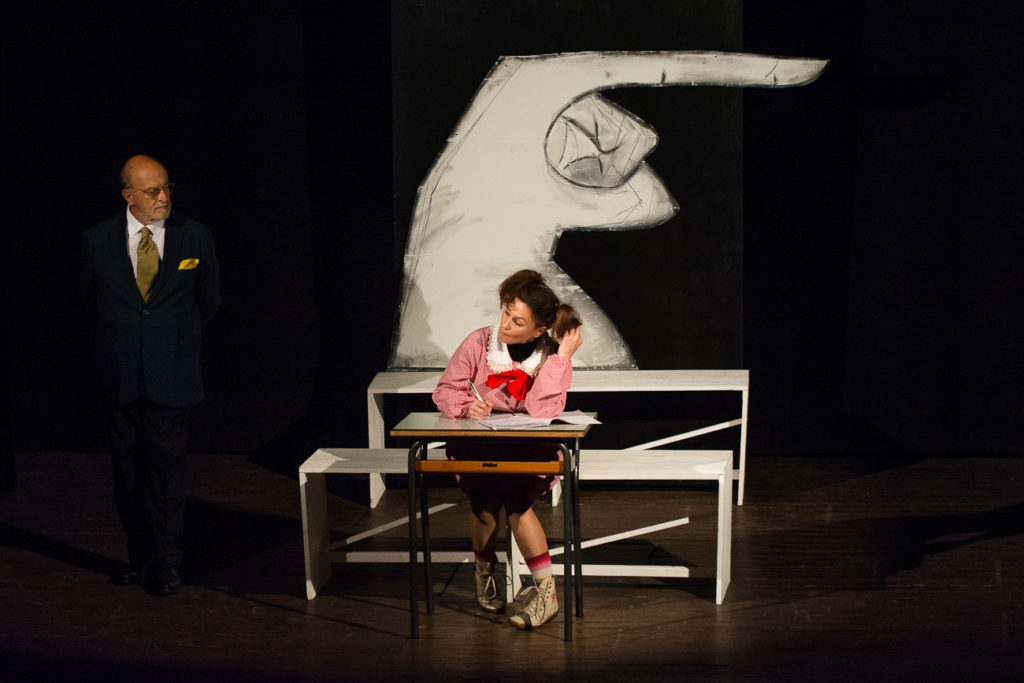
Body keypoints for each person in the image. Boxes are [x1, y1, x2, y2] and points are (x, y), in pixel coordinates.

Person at [80, 155, 220, 596]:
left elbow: (209, 302)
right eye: (151, 190)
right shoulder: (98, 240)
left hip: (171, 375)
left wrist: (169, 341)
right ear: (128, 195)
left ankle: (166, 561)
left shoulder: (193, 236)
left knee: (165, 471)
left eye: (166, 187)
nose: (163, 197)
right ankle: (140, 557)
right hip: (120, 377)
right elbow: (87, 302)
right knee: (128, 472)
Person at [432, 269, 583, 629]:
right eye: (505, 313)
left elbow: (542, 409)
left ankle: (546, 594)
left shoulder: (549, 355)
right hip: (479, 441)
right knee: (483, 504)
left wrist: (562, 357)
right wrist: (467, 406)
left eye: (517, 322)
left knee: (517, 502)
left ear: (538, 330)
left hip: (528, 446)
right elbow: (445, 390)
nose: (505, 325)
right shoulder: (478, 343)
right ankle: (485, 571)